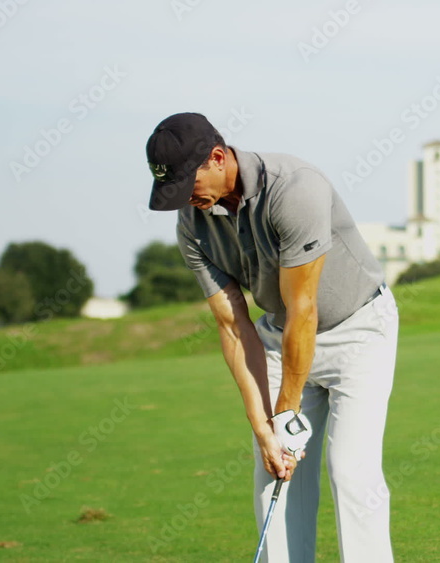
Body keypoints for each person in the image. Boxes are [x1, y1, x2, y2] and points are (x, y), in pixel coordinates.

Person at [145, 112, 397, 562]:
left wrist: (285, 413)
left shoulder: (295, 188)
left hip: (359, 331)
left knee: (351, 473)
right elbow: (233, 326)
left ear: (217, 158)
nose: (185, 199)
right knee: (274, 473)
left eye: (188, 184)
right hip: (280, 335)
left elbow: (304, 308)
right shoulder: (192, 223)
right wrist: (263, 426)